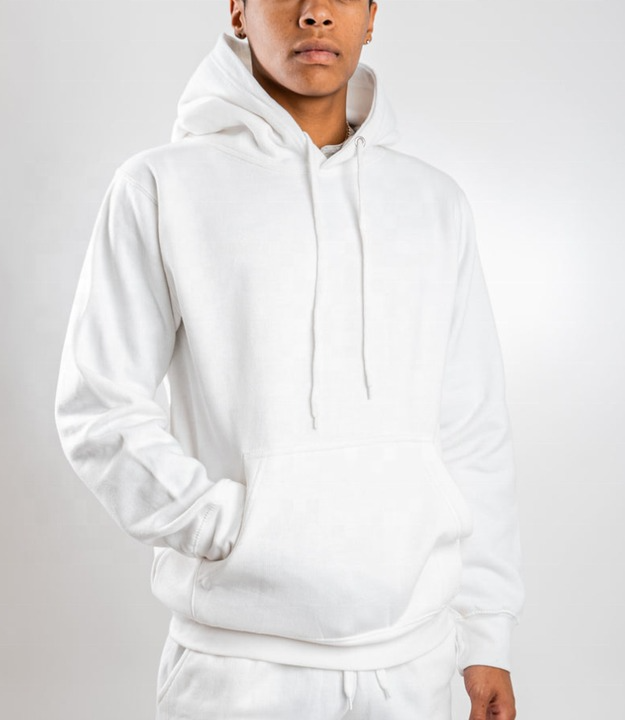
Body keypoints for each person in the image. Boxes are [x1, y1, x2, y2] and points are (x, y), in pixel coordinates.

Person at [54, 1, 525, 718]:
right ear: (238, 10)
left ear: (371, 16)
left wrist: (486, 632)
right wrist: (226, 526)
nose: (314, 13)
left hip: (414, 664)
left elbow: (471, 427)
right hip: (239, 668)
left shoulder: (433, 203)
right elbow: (99, 409)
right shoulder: (162, 188)